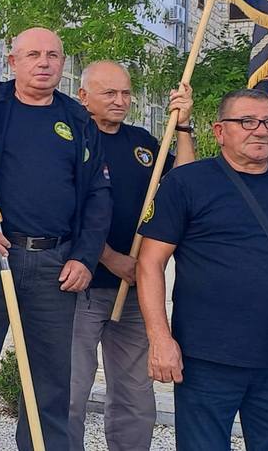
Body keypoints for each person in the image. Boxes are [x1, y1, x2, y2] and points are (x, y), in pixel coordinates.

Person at [0, 27, 112, 451]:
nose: (44, 63)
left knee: (50, 378)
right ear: (12, 61)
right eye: (33, 54)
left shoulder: (77, 120)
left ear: (63, 64)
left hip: (55, 266)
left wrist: (85, 257)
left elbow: (98, 194)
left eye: (53, 55)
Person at [137, 88, 268, 450]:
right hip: (206, 356)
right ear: (219, 131)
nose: (260, 130)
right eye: (246, 121)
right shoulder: (186, 183)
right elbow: (150, 263)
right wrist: (160, 339)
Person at [67, 60, 195, 451]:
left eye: (125, 93)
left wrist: (184, 127)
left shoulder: (141, 142)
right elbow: (64, 211)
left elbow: (185, 184)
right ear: (83, 96)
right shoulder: (71, 139)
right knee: (70, 391)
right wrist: (108, 257)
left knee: (135, 396)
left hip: (136, 289)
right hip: (82, 287)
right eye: (110, 93)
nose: (120, 100)